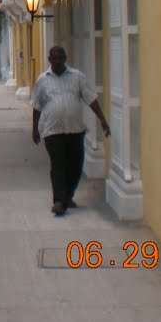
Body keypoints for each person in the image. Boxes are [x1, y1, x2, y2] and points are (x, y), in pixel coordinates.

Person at [31, 45, 110, 216]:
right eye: (54, 58)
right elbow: (36, 106)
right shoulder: (42, 80)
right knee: (58, 165)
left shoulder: (77, 77)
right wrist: (35, 129)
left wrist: (102, 119)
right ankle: (59, 201)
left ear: (65, 58)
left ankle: (67, 195)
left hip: (75, 130)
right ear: (49, 59)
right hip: (52, 131)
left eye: (61, 58)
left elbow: (91, 99)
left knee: (75, 167)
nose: (58, 61)